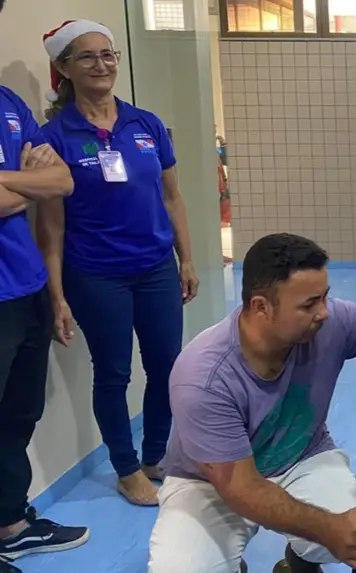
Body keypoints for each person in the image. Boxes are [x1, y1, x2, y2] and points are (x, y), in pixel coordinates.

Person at [147, 233, 356, 573]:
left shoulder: (330, 324)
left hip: (301, 457)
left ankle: (299, 562)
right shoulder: (203, 377)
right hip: (210, 483)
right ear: (260, 307)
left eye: (325, 298)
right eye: (308, 304)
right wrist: (329, 529)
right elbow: (243, 489)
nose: (323, 313)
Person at [35, 20, 198, 506]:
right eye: (87, 56)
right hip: (96, 273)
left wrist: (185, 257)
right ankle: (127, 469)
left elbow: (173, 198)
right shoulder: (53, 138)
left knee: (168, 366)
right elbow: (51, 226)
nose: (102, 65)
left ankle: (154, 455)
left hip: (155, 267)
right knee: (113, 372)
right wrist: (57, 293)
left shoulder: (145, 124)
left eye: (109, 55)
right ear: (63, 68)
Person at [0, 7, 90, 572]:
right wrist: (28, 183)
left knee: (18, 413)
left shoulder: (8, 104)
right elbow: (42, 184)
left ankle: (10, 521)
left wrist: (16, 184)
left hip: (25, 285)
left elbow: (61, 180)